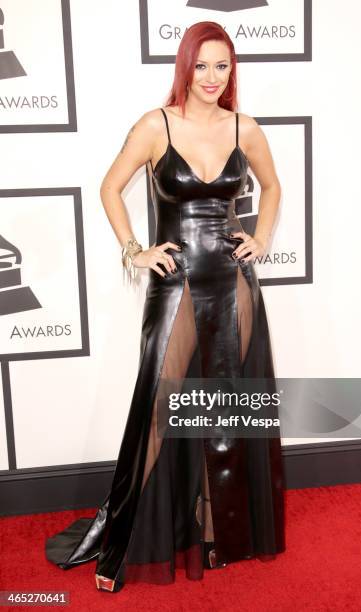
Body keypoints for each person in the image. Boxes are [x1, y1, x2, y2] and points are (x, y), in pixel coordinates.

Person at [45, 20, 285, 592]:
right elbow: (110, 186)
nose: (211, 76)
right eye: (200, 65)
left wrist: (262, 238)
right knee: (160, 407)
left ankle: (218, 530)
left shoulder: (244, 128)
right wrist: (135, 250)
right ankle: (126, 537)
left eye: (222, 65)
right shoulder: (156, 126)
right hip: (175, 281)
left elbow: (272, 188)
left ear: (232, 70)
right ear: (184, 67)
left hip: (233, 282)